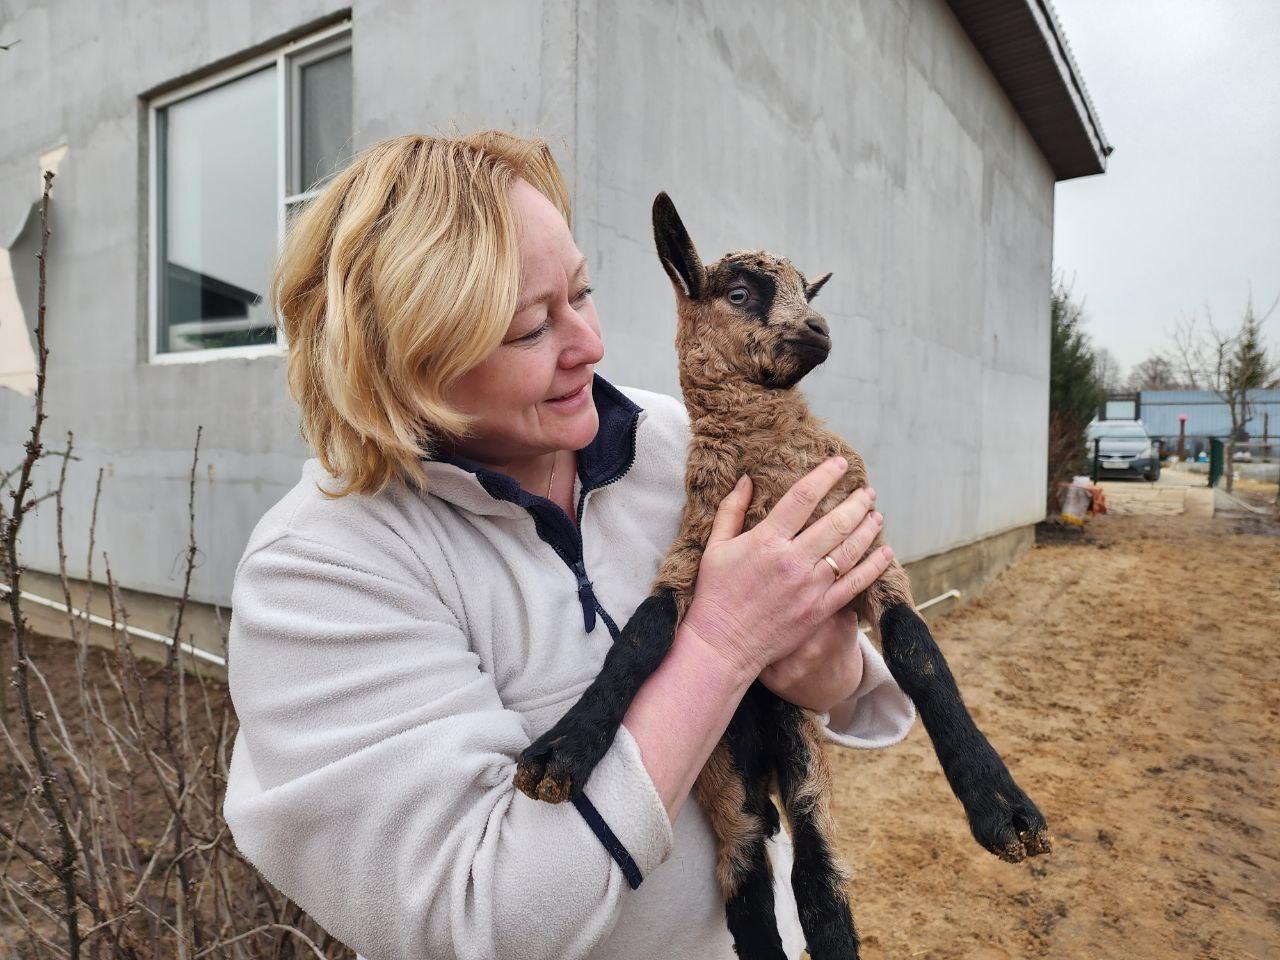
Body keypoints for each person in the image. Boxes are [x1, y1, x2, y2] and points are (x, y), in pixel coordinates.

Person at [223, 131, 916, 960]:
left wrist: (834, 672)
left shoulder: (675, 441)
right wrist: (723, 644)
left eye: (582, 293)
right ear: (400, 363)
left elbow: (854, 696)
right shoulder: (318, 574)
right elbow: (481, 919)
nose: (590, 345)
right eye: (530, 330)